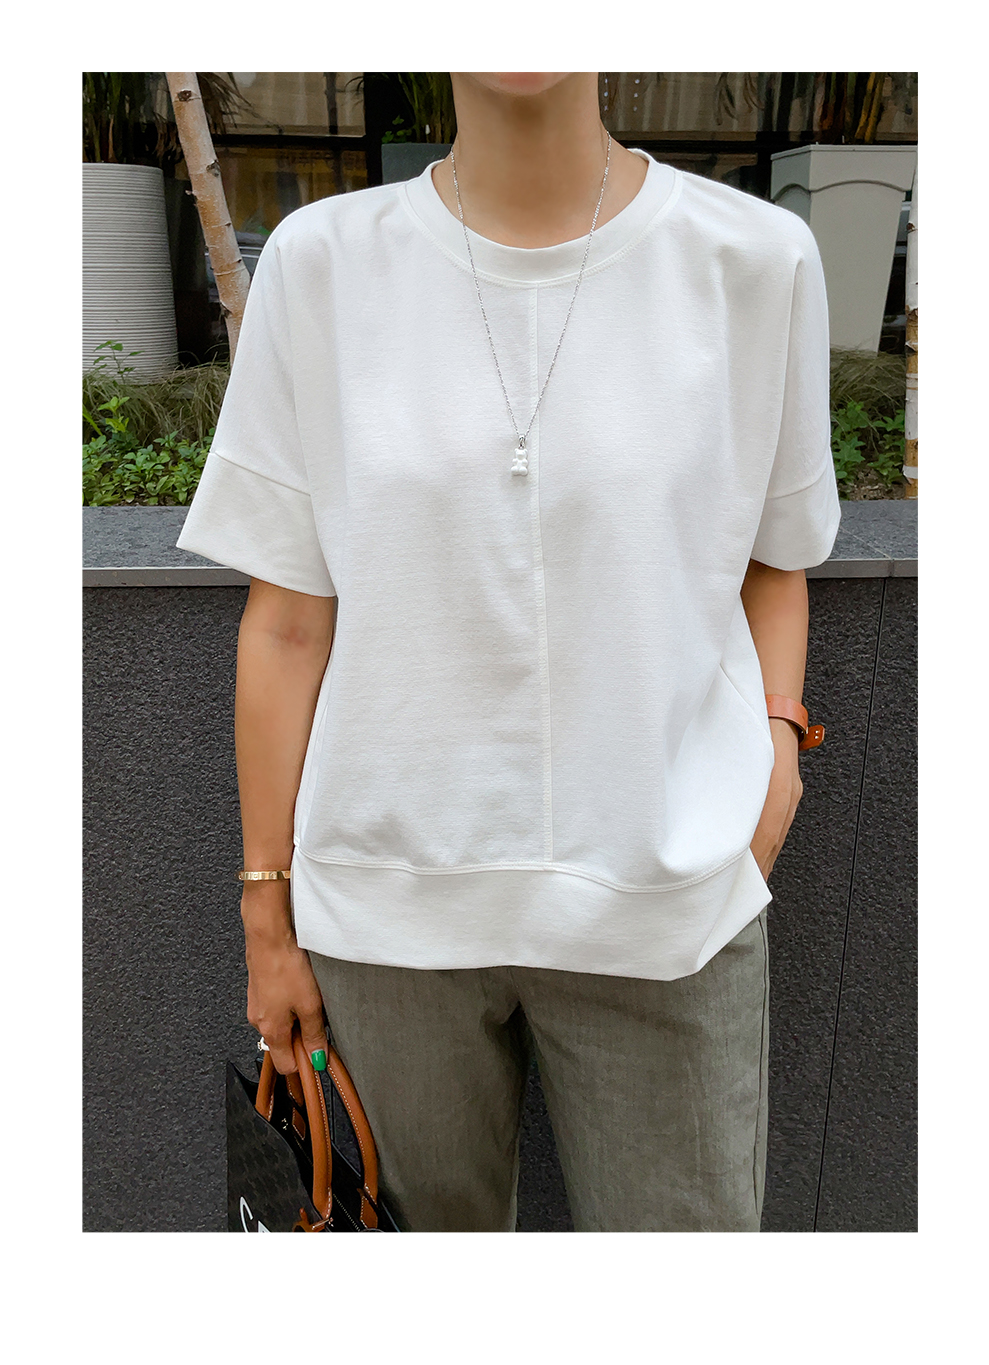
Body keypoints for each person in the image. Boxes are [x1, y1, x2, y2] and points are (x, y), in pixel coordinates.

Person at [177, 71, 840, 1232]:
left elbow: (774, 558)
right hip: (385, 916)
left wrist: (779, 744)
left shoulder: (753, 258)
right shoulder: (323, 264)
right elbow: (285, 619)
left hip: (671, 902)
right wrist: (265, 919)